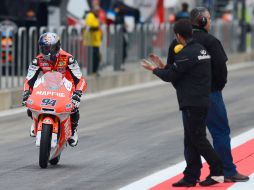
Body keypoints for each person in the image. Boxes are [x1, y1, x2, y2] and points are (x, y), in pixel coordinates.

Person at [166, 7, 249, 182]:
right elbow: (221, 71)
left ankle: (192, 175)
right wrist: (216, 88)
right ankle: (226, 170)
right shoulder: (211, 41)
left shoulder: (177, 43)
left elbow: (172, 71)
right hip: (210, 95)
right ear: (202, 21)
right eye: (209, 19)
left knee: (192, 137)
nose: (210, 22)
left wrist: (183, 89)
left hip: (188, 98)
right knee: (220, 132)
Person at [141, 19, 224, 187]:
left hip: (193, 102)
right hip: (199, 100)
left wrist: (155, 70)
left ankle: (217, 171)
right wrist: (163, 65)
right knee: (191, 140)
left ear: (178, 36)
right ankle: (191, 176)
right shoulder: (200, 50)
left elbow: (171, 76)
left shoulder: (187, 54)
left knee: (198, 139)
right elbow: (180, 72)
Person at [22, 32, 87, 147]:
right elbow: (29, 79)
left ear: (57, 47)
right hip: (47, 85)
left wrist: (78, 93)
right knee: (30, 103)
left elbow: (80, 79)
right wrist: (27, 92)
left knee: (74, 107)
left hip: (66, 87)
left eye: (51, 48)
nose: (48, 52)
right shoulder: (37, 60)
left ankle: (73, 129)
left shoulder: (69, 58)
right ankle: (35, 121)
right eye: (44, 48)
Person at [84, 4, 103, 76]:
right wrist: (97, 26)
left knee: (96, 57)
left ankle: (94, 71)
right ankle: (92, 71)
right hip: (91, 41)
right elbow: (90, 27)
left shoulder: (95, 17)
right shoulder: (90, 16)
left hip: (95, 41)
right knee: (94, 57)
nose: (98, 13)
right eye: (97, 11)